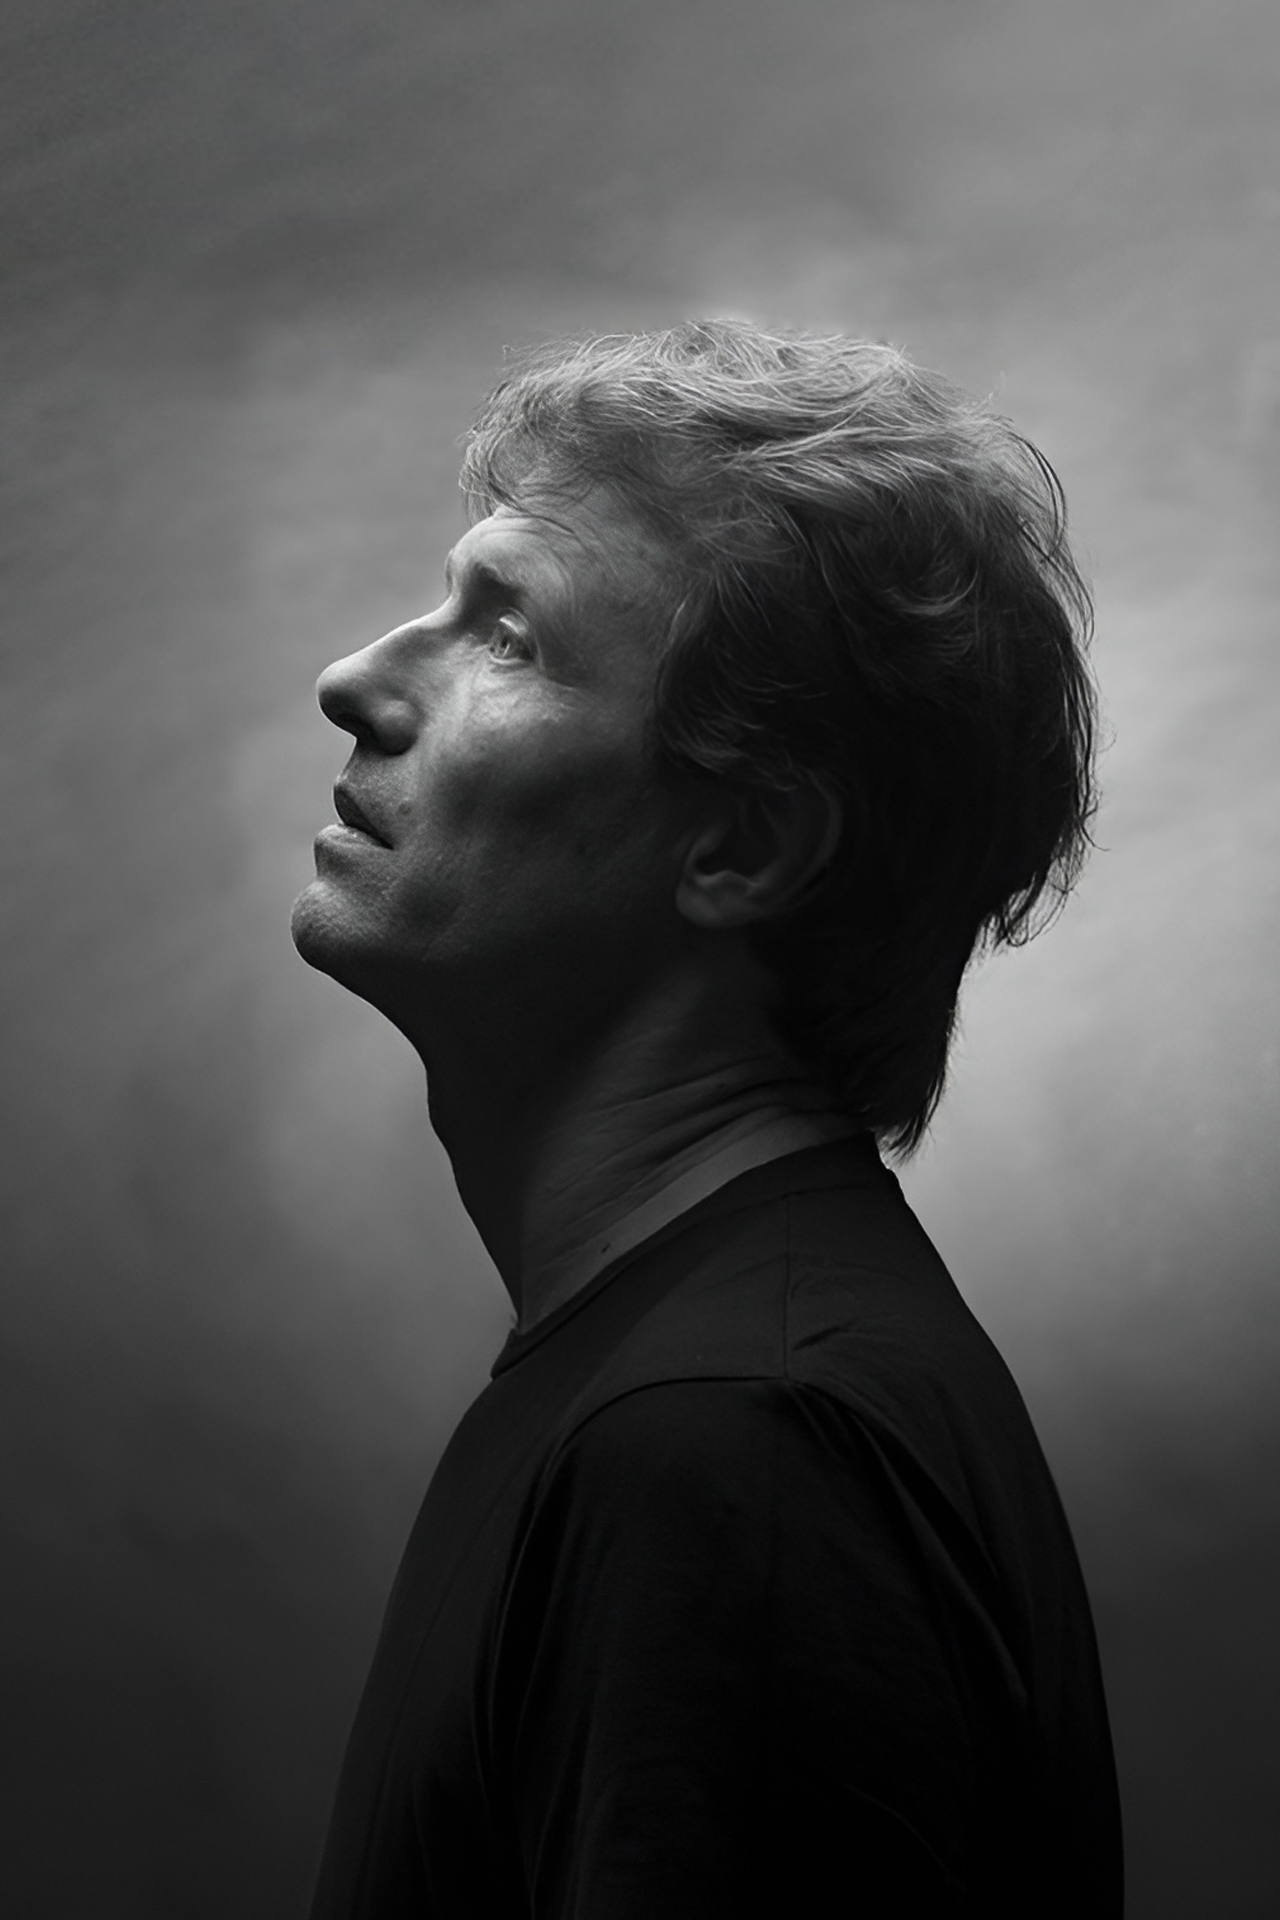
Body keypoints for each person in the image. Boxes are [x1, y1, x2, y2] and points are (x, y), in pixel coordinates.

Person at [291, 320, 1123, 1918]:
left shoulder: (736, 1447)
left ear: (744, 845)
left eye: (511, 638)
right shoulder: (689, 1393)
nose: (359, 681)